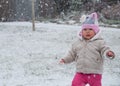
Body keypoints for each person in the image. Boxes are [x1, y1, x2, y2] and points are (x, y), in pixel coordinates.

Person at [59, 12, 115, 86]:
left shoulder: (99, 42)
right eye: (85, 29)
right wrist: (65, 60)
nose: (87, 31)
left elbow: (104, 49)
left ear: (95, 32)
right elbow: (71, 54)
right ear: (81, 31)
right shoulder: (77, 43)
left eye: (90, 29)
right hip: (80, 72)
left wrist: (108, 53)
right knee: (75, 84)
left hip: (95, 73)